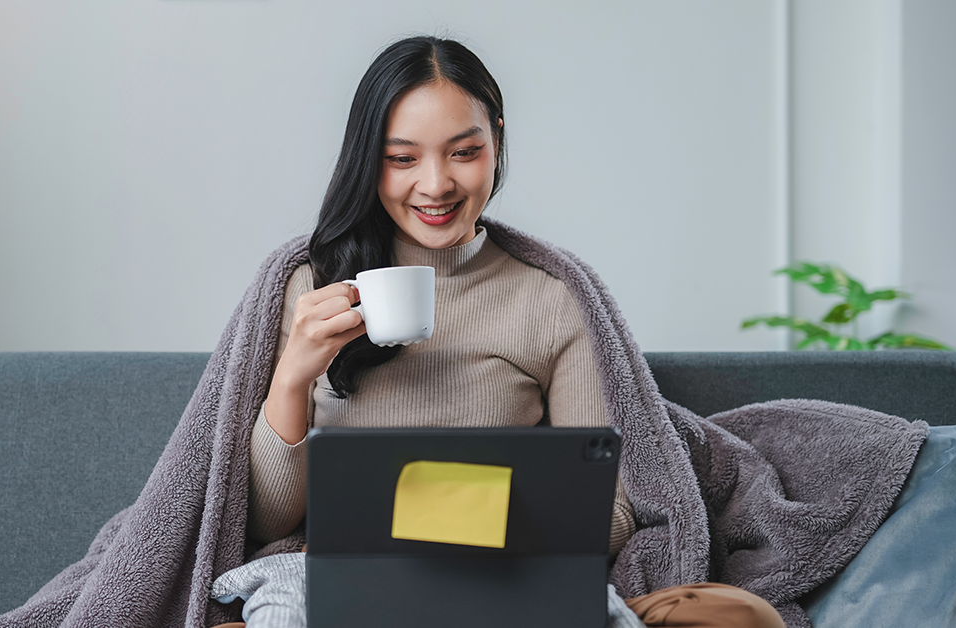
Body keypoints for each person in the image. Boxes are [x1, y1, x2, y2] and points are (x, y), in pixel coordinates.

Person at [212, 35, 786, 628]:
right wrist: (294, 374)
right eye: (402, 158)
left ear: (496, 142)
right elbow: (266, 523)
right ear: (366, 159)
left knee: (739, 618)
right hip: (337, 576)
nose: (435, 185)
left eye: (463, 152)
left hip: (502, 574)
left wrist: (462, 525)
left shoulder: (552, 297)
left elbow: (611, 508)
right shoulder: (309, 286)